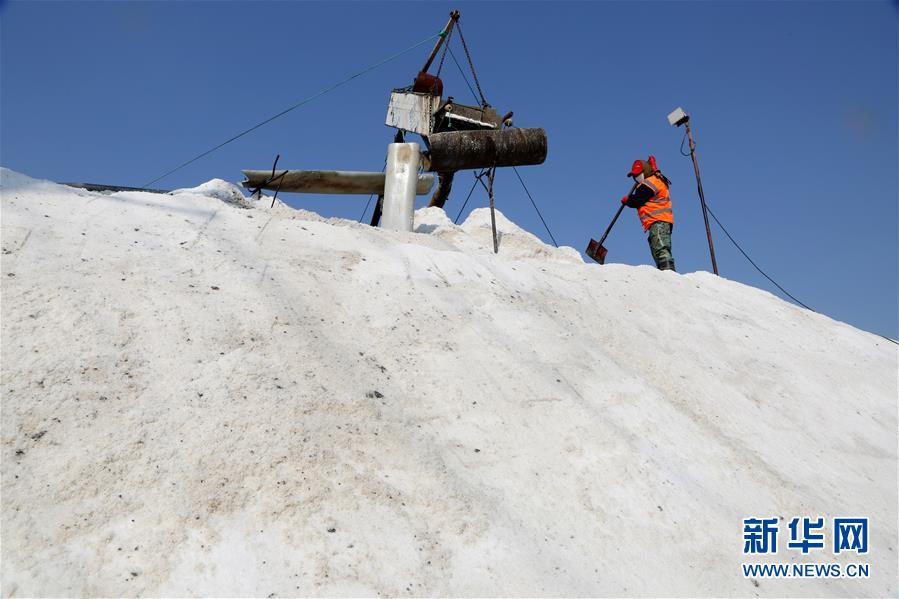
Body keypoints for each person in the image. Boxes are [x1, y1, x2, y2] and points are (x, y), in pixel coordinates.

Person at [621, 156, 676, 271]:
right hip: (657, 222)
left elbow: (638, 199)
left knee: (661, 248)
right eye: (634, 176)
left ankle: (669, 272)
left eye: (638, 174)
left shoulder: (650, 183)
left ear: (645, 172)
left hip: (659, 221)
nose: (636, 178)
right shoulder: (653, 180)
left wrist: (628, 200)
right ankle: (663, 271)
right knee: (655, 247)